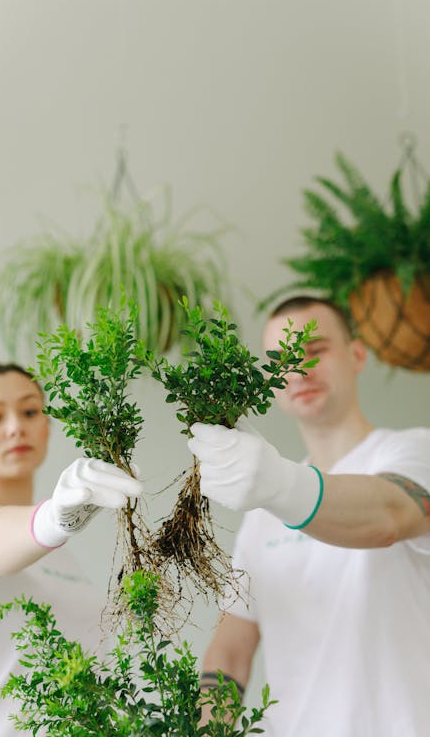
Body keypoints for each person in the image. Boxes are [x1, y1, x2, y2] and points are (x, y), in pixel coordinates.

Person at [189, 296, 430, 737]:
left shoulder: (414, 450)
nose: (298, 368)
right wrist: (209, 730)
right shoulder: (262, 518)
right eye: (281, 358)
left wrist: (281, 484)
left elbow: (390, 514)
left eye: (315, 350)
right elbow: (230, 651)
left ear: (356, 355)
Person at [0, 362, 142, 737]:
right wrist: (50, 521)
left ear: (48, 426)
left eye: (30, 412)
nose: (15, 427)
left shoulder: (61, 555)